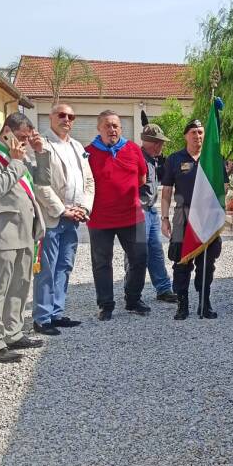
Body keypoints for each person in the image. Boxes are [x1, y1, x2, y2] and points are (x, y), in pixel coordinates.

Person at [0, 113, 51, 363]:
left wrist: (40, 153)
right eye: (21, 137)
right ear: (6, 130)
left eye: (28, 138)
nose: (24, 142)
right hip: (3, 228)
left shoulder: (19, 153)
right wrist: (17, 162)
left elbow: (42, 181)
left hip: (25, 228)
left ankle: (13, 331)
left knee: (20, 283)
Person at [33, 103, 93, 334]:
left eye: (71, 116)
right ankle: (42, 317)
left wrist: (84, 207)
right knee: (46, 268)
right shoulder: (41, 145)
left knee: (64, 266)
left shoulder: (77, 146)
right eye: (61, 115)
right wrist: (62, 209)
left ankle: (56, 312)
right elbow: (41, 184)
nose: (66, 119)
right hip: (53, 216)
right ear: (51, 118)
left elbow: (89, 181)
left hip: (75, 216)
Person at [86, 110, 149, 319]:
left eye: (115, 125)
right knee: (102, 262)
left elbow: (142, 178)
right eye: (107, 125)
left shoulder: (132, 149)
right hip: (100, 219)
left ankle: (133, 299)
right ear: (99, 128)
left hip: (132, 217)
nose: (112, 129)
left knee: (140, 258)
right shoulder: (87, 153)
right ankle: (106, 304)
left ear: (121, 128)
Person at [160, 118, 224, 320]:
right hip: (183, 216)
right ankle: (182, 304)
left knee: (207, 263)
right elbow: (167, 191)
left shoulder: (213, 159)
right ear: (185, 135)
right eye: (194, 132)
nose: (198, 136)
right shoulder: (175, 159)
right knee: (180, 262)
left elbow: (223, 189)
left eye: (201, 132)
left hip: (208, 217)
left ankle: (204, 303)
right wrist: (164, 218)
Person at [139, 122, 178, 303]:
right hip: (138, 211)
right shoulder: (138, 160)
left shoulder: (154, 161)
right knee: (137, 253)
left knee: (155, 251)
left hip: (151, 210)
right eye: (161, 143)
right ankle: (132, 292)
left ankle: (163, 289)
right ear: (155, 144)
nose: (162, 146)